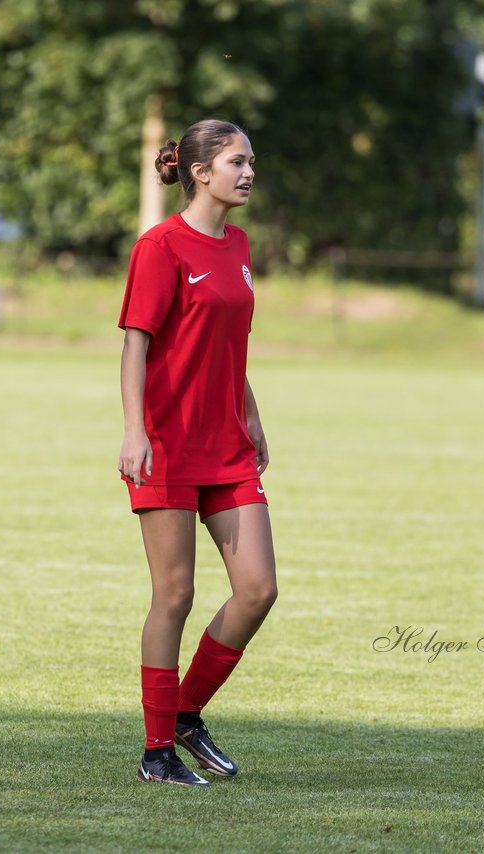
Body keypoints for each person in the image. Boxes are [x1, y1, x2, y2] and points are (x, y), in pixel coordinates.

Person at [117, 118, 278, 787]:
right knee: (175, 594)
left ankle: (185, 714)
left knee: (257, 589)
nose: (248, 173)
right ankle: (158, 754)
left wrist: (252, 412)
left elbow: (224, 344)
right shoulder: (160, 246)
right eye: (236, 162)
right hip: (168, 445)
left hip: (228, 445)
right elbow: (136, 344)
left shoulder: (238, 244)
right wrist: (134, 432)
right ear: (201, 171)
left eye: (251, 162)